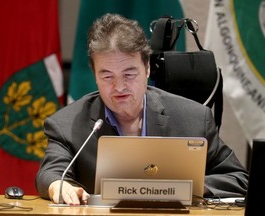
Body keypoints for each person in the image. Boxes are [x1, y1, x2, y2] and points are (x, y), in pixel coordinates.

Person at [35, 13, 248, 205]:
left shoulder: (193, 119)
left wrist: (190, 188)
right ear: (94, 74)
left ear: (146, 69)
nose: (119, 87)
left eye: (129, 74)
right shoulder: (67, 124)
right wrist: (58, 185)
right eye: (107, 76)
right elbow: (50, 173)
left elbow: (238, 178)